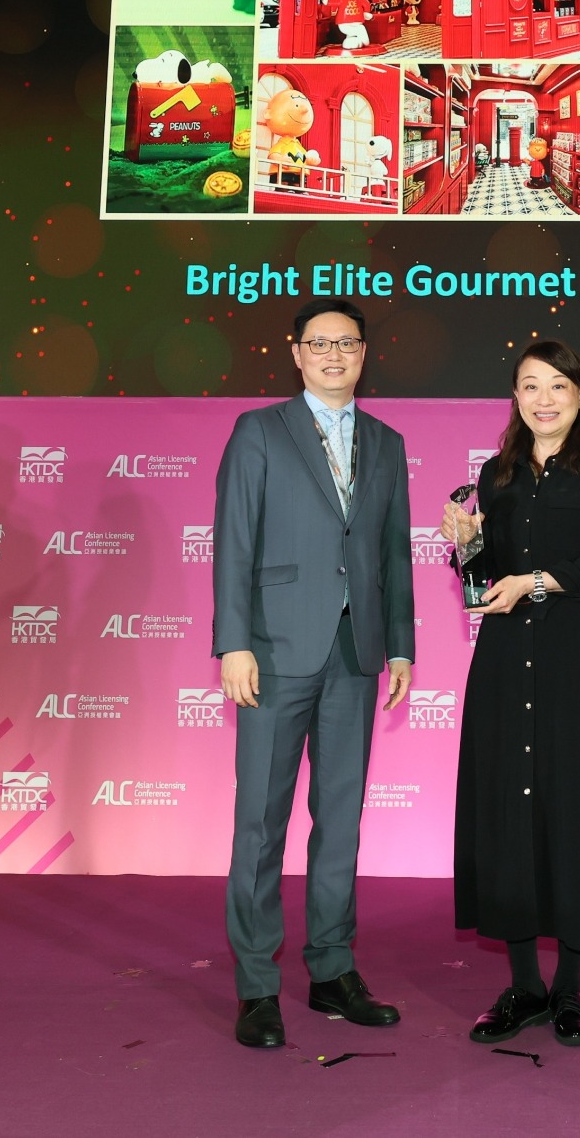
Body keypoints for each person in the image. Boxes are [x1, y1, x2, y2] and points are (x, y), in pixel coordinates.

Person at [214, 299, 415, 1049]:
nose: (334, 354)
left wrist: (400, 645)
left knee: (340, 819)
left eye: (347, 343)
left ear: (364, 353)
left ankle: (332, 969)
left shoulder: (388, 442)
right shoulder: (259, 430)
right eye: (319, 343)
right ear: (296, 353)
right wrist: (233, 642)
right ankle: (256, 986)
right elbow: (234, 541)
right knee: (261, 823)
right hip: (272, 650)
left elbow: (393, 551)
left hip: (355, 653)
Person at [439, 340, 580, 1049]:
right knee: (510, 810)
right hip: (504, 659)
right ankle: (524, 984)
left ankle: (568, 990)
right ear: (515, 397)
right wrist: (466, 543)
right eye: (530, 385)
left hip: (575, 658)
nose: (544, 399)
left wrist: (538, 581)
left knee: (574, 807)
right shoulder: (494, 474)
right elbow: (482, 584)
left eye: (558, 385)